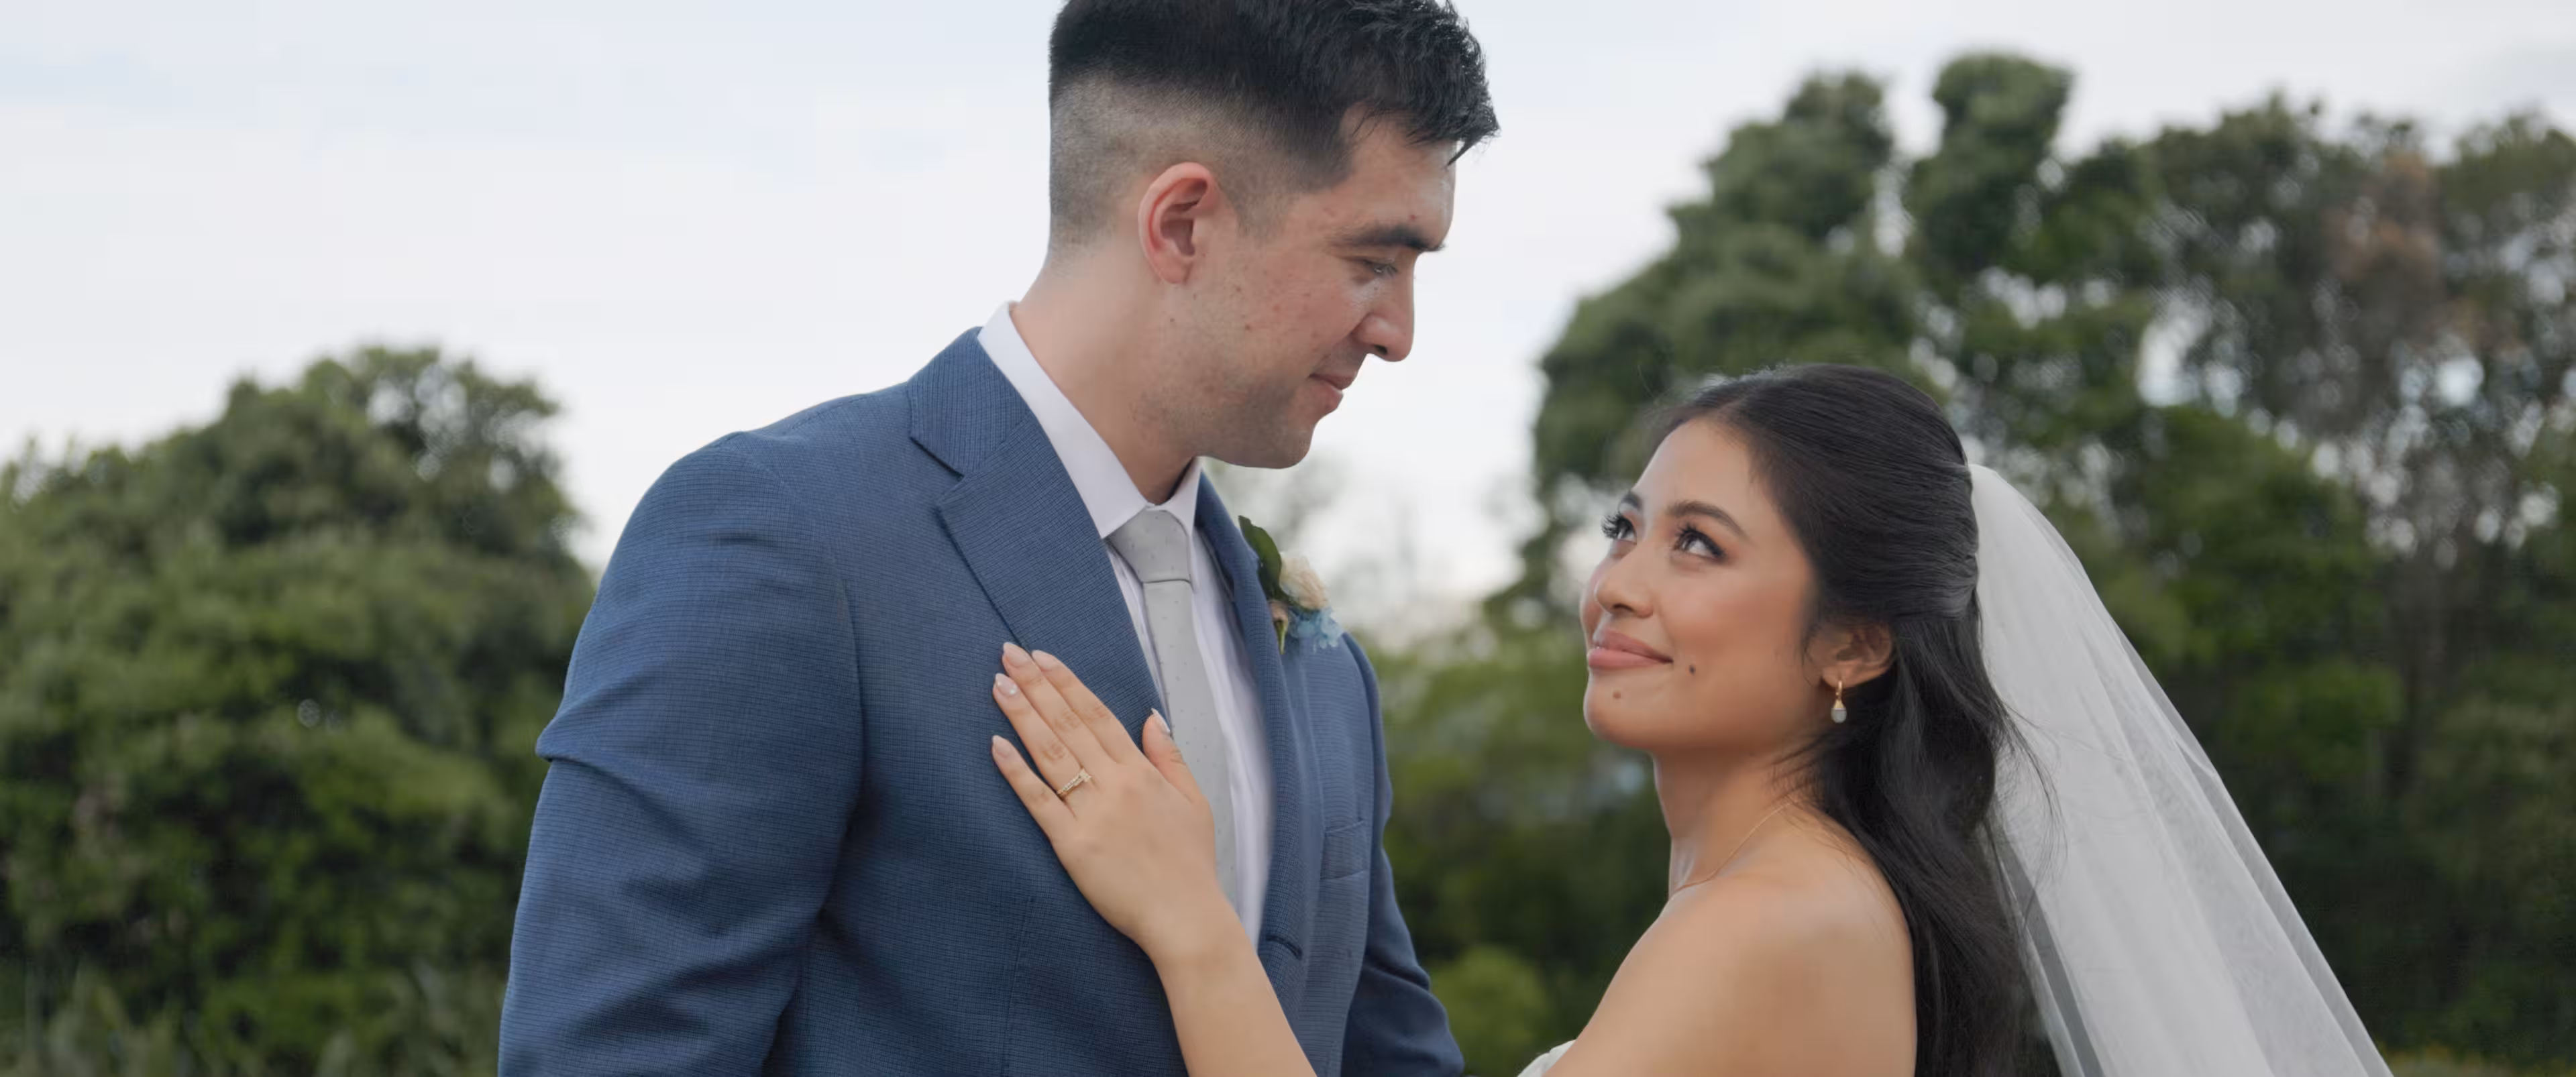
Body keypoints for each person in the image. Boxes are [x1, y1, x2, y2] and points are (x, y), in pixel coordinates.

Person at [498, 1, 1497, 1073]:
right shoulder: (786, 540)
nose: (1397, 332)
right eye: (1372, 261)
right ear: (1184, 225)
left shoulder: (1321, 664)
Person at [985, 365, 2397, 1077]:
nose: (1620, 586)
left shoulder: (1779, 919)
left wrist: (1190, 922)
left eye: (1701, 547)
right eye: (1628, 526)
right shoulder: (1777, 896)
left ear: (1854, 640)